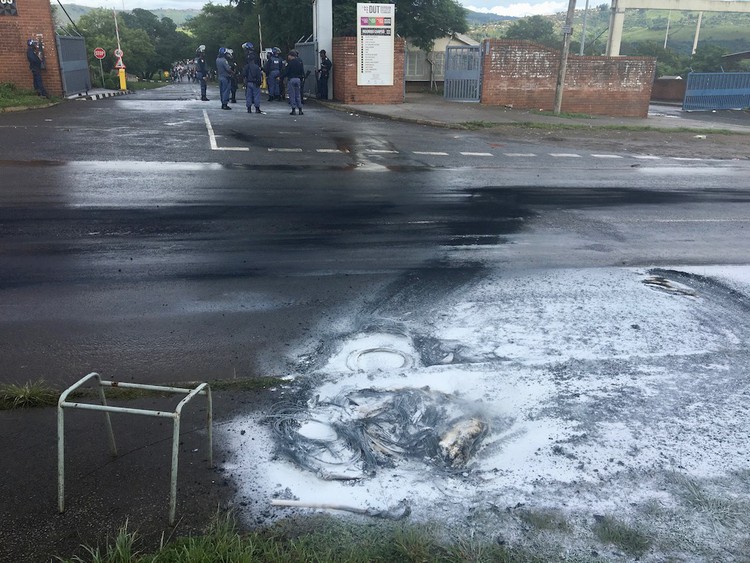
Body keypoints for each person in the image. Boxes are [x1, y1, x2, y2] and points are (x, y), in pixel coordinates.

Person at [281, 49, 304, 115]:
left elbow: (286, 72)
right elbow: (302, 71)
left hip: (291, 79)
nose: (288, 57)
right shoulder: (300, 62)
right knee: (298, 95)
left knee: (292, 95)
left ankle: (293, 109)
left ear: (291, 56)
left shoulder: (290, 63)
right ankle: (300, 109)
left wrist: (281, 77)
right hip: (298, 79)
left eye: (289, 56)